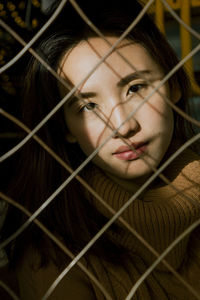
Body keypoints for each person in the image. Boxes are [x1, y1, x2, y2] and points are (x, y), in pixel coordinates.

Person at [1, 0, 200, 299]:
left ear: (173, 86)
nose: (122, 126)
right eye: (88, 106)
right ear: (64, 127)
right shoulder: (53, 259)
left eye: (135, 88)